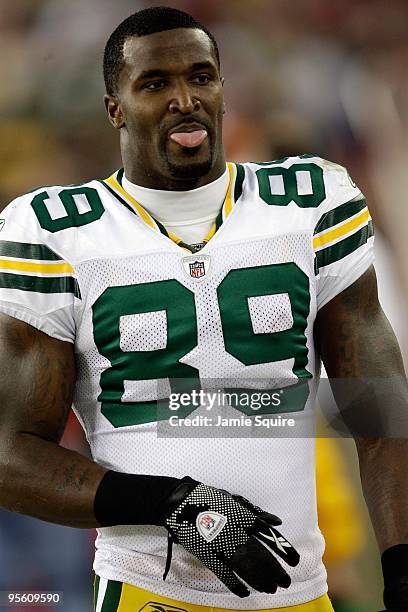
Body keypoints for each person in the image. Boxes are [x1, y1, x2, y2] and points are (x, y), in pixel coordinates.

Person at [0, 6, 406, 611]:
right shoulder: (57, 234)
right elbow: (12, 455)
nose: (184, 99)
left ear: (222, 89)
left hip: (303, 594)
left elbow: (382, 415)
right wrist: (170, 503)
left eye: (201, 76)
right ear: (115, 107)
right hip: (150, 588)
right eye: (155, 84)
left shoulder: (310, 206)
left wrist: (400, 572)